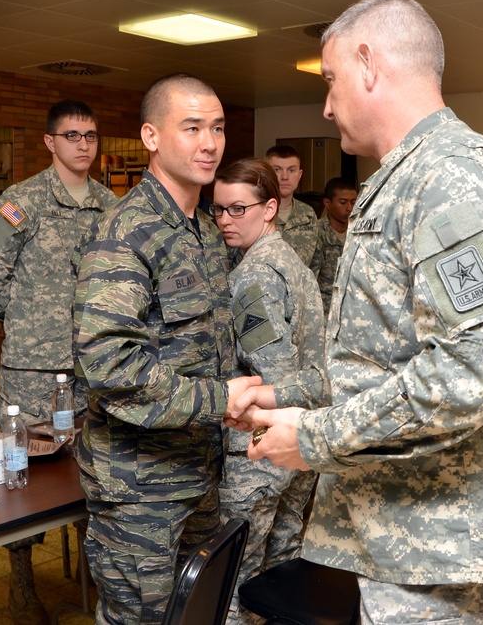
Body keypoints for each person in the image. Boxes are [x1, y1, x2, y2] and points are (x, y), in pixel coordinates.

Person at [227, 0, 483, 625]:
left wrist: (317, 436)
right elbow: (384, 354)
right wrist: (288, 398)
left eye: (331, 81)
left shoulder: (450, 179)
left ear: (368, 64)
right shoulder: (412, 177)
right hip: (411, 531)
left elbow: (469, 375)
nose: (327, 105)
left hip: (441, 541)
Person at [72, 73, 261, 625]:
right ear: (151, 137)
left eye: (219, 129)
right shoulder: (126, 231)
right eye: (193, 128)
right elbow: (109, 365)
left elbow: (206, 344)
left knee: (194, 616)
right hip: (139, 488)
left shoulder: (202, 230)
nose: (210, 143)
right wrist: (219, 400)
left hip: (197, 471)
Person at [0, 99, 118, 622]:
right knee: (19, 477)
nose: (83, 145)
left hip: (96, 370)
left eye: (91, 135)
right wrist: (36, 324)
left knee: (96, 472)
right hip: (33, 372)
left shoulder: (110, 205)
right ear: (50, 142)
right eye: (72, 135)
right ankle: (22, 583)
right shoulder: (21, 203)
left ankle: (91, 573)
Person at [212, 158, 330, 625]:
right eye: (218, 209)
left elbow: (274, 373)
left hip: (258, 448)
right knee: (281, 572)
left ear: (270, 208)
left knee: (237, 584)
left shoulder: (253, 277)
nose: (225, 220)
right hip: (300, 438)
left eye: (238, 209)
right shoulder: (290, 261)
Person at [265, 145, 319, 269]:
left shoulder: (308, 215)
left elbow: (315, 264)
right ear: (266, 173)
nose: (284, 177)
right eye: (277, 170)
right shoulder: (254, 212)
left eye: (291, 170)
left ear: (299, 175)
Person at [312, 176, 358, 315]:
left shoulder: (358, 232)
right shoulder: (316, 232)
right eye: (343, 202)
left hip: (354, 308)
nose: (349, 208)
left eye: (353, 202)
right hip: (325, 310)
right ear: (327, 203)